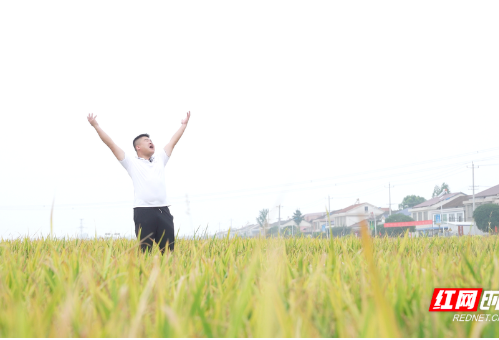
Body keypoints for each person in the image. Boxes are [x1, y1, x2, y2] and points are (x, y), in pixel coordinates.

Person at [87, 111, 191, 254]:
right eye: (146, 140)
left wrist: (183, 125)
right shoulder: (131, 162)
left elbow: (173, 141)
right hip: (143, 212)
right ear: (138, 147)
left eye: (151, 140)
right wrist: (96, 125)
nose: (150, 141)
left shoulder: (160, 158)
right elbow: (111, 144)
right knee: (145, 253)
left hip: (163, 211)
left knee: (168, 253)